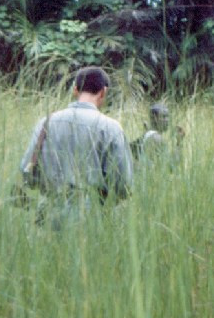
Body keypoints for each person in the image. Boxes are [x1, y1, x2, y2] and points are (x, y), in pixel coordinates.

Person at [19, 66, 133, 228]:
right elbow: (123, 186)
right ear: (103, 92)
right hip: (90, 217)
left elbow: (26, 171)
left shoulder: (45, 122)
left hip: (47, 215)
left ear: (75, 90)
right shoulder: (111, 128)